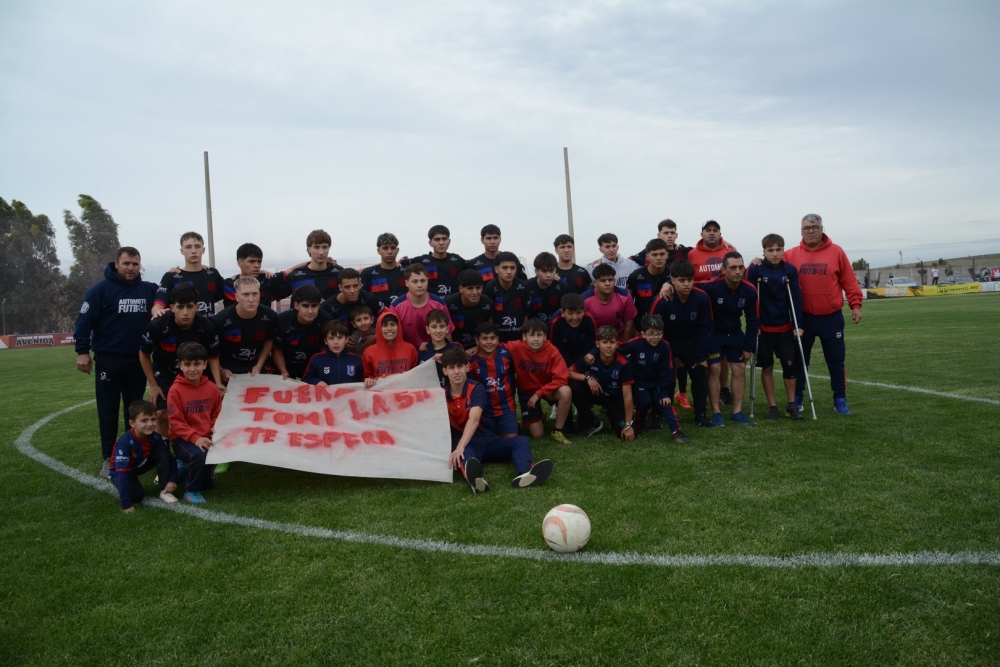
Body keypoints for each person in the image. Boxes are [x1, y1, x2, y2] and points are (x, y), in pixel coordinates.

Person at [74, 246, 159, 477]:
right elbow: (84, 322)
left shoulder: (148, 289)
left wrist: (175, 271)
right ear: (116, 264)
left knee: (135, 413)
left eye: (135, 264)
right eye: (126, 263)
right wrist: (82, 352)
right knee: (108, 411)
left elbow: (168, 294)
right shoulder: (100, 291)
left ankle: (133, 454)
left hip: (138, 361)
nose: (131, 268)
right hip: (109, 360)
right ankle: (108, 458)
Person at [442, 347, 553, 494]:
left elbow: (474, 419)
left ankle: (525, 474)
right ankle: (476, 480)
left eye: (460, 366)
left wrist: (459, 446)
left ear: (467, 367)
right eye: (451, 368)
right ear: (444, 371)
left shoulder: (476, 388)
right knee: (465, 455)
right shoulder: (441, 396)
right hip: (466, 444)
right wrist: (459, 447)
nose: (456, 371)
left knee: (520, 441)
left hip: (488, 440)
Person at [783, 214, 864, 415]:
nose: (811, 231)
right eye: (806, 228)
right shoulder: (791, 255)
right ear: (801, 231)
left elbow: (849, 281)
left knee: (836, 361)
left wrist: (855, 305)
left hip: (831, 317)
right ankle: (799, 398)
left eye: (815, 227)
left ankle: (840, 399)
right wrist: (759, 260)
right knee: (801, 360)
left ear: (822, 229)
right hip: (803, 319)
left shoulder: (836, 252)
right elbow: (772, 267)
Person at [139, 285, 222, 438]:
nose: (185, 312)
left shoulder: (207, 326)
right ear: (172, 307)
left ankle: (198, 447)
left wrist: (217, 382)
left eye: (190, 307)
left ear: (197, 307)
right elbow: (144, 354)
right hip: (166, 373)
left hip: (195, 373)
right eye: (180, 307)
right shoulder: (157, 325)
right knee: (162, 413)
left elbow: (213, 356)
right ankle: (164, 453)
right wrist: (153, 385)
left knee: (200, 412)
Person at [649, 260, 713, 427]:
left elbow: (705, 328)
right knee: (666, 378)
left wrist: (700, 355)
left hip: (691, 343)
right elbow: (652, 328)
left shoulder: (701, 297)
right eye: (682, 280)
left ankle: (700, 415)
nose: (686, 284)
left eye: (689, 280)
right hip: (667, 343)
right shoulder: (662, 300)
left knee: (700, 373)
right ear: (673, 280)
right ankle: (659, 415)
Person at [747, 234, 804, 420]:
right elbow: (750, 299)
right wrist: (754, 325)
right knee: (767, 367)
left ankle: (791, 405)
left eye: (778, 250)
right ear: (763, 251)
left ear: (783, 250)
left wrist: (798, 325)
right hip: (764, 330)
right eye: (770, 250)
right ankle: (772, 406)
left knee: (789, 365)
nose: (774, 254)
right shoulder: (756, 270)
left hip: (785, 328)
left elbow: (796, 298)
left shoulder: (790, 270)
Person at [699, 252, 758, 426]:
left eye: (741, 267)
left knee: (739, 369)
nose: (738, 271)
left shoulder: (749, 290)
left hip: (734, 333)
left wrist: (749, 347)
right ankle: (716, 411)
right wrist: (667, 284)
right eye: (733, 268)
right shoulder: (712, 286)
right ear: (724, 270)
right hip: (714, 334)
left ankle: (737, 411)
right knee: (715, 368)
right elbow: (689, 286)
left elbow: (753, 319)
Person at [615, 314, 688, 442]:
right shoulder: (635, 344)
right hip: (640, 382)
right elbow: (617, 347)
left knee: (665, 403)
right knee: (644, 402)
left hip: (657, 383)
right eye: (651, 334)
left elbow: (667, 371)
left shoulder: (665, 346)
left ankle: (677, 432)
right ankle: (638, 426)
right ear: (643, 334)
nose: (655, 337)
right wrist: (594, 353)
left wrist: (664, 393)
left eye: (659, 333)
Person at [167, 342, 222, 504]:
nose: (192, 369)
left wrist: (215, 429)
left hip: (205, 436)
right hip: (182, 439)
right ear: (181, 366)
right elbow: (176, 422)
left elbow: (216, 413)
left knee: (207, 485)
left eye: (197, 364)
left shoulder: (211, 388)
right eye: (187, 364)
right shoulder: (175, 390)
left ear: (205, 364)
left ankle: (181, 470)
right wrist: (196, 438)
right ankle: (190, 491)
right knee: (199, 455)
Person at [504, 318, 573, 444]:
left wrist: (539, 393)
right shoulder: (515, 347)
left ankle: (557, 431)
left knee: (566, 391)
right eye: (531, 335)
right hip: (526, 392)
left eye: (539, 335)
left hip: (547, 390)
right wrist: (476, 348)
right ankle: (537, 417)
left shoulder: (552, 350)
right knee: (537, 435)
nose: (536, 339)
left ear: (545, 337)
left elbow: (562, 378)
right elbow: (494, 347)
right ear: (524, 337)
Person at [568, 325, 636, 440]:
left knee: (622, 433)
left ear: (617, 344)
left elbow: (627, 396)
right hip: (596, 392)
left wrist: (628, 426)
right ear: (597, 344)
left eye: (612, 342)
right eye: (605, 342)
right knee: (573, 385)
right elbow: (569, 372)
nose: (608, 346)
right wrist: (588, 378)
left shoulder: (623, 364)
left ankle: (615, 415)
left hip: (614, 397)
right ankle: (591, 421)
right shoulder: (590, 358)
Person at [110, 400, 179, 512]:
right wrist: (126, 505)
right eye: (144, 421)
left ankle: (164, 491)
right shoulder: (124, 443)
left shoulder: (156, 437)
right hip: (123, 471)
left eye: (153, 419)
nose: (150, 424)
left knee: (163, 450)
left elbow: (170, 458)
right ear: (132, 423)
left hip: (140, 462)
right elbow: (122, 474)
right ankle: (124, 485)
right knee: (136, 496)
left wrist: (172, 480)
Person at [212, 276, 278, 385]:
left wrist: (259, 365)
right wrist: (221, 370)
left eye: (255, 294)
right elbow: (212, 352)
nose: (251, 299)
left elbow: (268, 341)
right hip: (230, 367)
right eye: (246, 294)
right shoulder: (220, 320)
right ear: (237, 297)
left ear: (259, 296)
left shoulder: (270, 316)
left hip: (257, 364)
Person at [151, 232, 226, 316]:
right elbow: (158, 305)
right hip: (181, 328)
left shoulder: (212, 274)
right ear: (182, 251)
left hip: (208, 328)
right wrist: (158, 313)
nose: (193, 251)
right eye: (188, 247)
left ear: (203, 250)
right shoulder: (171, 276)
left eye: (197, 246)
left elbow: (233, 290)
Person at [468, 322, 519, 438]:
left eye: (492, 338)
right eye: (484, 339)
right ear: (477, 341)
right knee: (489, 440)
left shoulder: (506, 354)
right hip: (484, 409)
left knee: (509, 440)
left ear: (498, 339)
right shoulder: (472, 361)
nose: (489, 342)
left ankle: (513, 424)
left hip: (506, 406)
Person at [272, 285, 330, 380]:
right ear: (296, 305)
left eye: (314, 306)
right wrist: (283, 371)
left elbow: (324, 350)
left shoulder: (326, 320)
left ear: (319, 305)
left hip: (313, 366)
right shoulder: (282, 320)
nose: (310, 311)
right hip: (286, 364)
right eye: (305, 306)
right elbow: (277, 349)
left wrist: (320, 372)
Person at [389, 263, 454, 348]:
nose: (420, 285)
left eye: (423, 281)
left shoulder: (439, 304)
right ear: (406, 283)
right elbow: (391, 337)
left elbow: (447, 334)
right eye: (415, 281)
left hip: (434, 354)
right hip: (407, 354)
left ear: (427, 280)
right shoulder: (396, 307)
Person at [276, 229, 344, 300]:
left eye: (324, 247)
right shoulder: (296, 276)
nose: (321, 252)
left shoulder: (339, 273)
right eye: (316, 247)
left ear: (329, 248)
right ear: (309, 249)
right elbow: (270, 295)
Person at [403, 225, 468, 297]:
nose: (441, 242)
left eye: (444, 239)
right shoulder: (421, 261)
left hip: (453, 304)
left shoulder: (457, 260)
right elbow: (400, 264)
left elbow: (472, 266)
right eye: (437, 239)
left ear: (449, 241)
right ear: (430, 243)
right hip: (431, 305)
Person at [223, 242, 290, 308]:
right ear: (240, 263)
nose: (257, 265)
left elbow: (293, 271)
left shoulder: (267, 281)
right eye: (252, 261)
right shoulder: (228, 285)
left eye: (259, 262)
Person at [361, 311, 418, 387]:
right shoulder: (369, 352)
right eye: (385, 325)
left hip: (405, 395)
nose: (389, 328)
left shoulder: (410, 349)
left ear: (398, 327)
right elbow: (367, 376)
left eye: (393, 325)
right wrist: (368, 379)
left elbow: (417, 375)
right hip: (381, 396)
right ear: (378, 328)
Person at [582, 264, 637, 342]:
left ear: (614, 281)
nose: (607, 284)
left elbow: (629, 324)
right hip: (595, 340)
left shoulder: (625, 296)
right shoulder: (585, 300)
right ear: (595, 283)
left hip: (619, 339)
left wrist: (624, 346)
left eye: (610, 280)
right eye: (603, 280)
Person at [484, 251, 530, 342]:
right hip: (498, 338)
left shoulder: (523, 286)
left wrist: (524, 338)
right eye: (504, 268)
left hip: (519, 338)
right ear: (496, 269)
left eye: (512, 268)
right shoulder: (490, 287)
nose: (509, 272)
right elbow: (490, 318)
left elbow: (526, 316)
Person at [320, 267, 386, 328]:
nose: (352, 291)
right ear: (340, 287)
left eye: (355, 286)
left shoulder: (369, 298)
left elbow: (388, 316)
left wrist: (376, 336)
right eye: (347, 287)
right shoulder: (328, 307)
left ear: (360, 285)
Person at [302, 321, 363, 386]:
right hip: (324, 396)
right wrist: (317, 382)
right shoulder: (317, 359)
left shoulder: (356, 359)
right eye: (331, 338)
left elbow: (361, 383)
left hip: (348, 396)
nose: (336, 342)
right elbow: (305, 380)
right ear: (326, 341)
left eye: (340, 338)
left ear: (346, 339)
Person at [445, 269, 494, 350]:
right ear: (461, 289)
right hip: (454, 348)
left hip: (480, 348)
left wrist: (479, 347)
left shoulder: (488, 303)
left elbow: (490, 331)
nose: (475, 292)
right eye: (470, 288)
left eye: (478, 288)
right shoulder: (448, 303)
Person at [548, 292, 597, 368]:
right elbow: (552, 346)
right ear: (563, 313)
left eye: (578, 313)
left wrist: (592, 353)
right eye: (570, 313)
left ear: (583, 311)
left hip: (584, 356)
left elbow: (594, 342)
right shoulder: (555, 322)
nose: (574, 318)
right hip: (562, 356)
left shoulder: (589, 319)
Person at [626, 238, 672, 321]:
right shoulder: (635, 276)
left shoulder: (674, 275)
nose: (658, 258)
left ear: (667, 255)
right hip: (641, 323)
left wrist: (670, 283)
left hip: (667, 322)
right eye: (654, 255)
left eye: (662, 254)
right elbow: (629, 305)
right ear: (647, 256)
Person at [417, 310, 464, 388]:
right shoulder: (423, 350)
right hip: (430, 397)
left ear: (448, 328)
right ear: (427, 329)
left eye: (442, 326)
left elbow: (467, 372)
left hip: (451, 396)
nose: (438, 331)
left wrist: (447, 360)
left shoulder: (456, 348)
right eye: (434, 327)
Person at [360, 232, 407, 299]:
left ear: (397, 250)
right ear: (379, 250)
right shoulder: (368, 274)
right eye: (385, 248)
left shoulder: (407, 272)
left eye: (393, 248)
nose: (389, 252)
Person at [526, 252, 566, 326]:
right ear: (536, 271)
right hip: (533, 330)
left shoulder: (562, 287)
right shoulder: (527, 286)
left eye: (551, 271)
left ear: (555, 270)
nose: (548, 275)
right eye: (544, 271)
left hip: (555, 328)